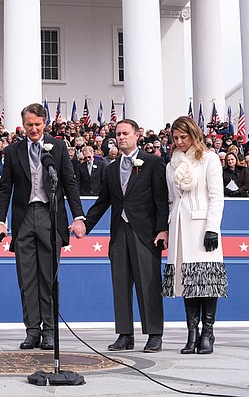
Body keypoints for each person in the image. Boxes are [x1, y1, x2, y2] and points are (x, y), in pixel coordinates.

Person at [0, 103, 85, 351]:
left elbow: (70, 183)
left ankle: (50, 331)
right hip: (24, 219)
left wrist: (79, 216)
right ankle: (32, 330)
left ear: (45, 124)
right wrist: (0, 220)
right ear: (23, 125)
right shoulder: (13, 151)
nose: (33, 129)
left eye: (37, 124)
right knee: (27, 278)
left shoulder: (59, 146)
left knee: (48, 277)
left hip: (50, 216)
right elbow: (5, 188)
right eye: (29, 124)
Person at [83, 119, 169, 353]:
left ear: (137, 135)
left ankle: (154, 334)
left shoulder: (154, 163)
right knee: (120, 284)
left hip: (145, 232)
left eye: (125, 133)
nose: (121, 137)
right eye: (118, 134)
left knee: (148, 284)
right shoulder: (110, 168)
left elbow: (161, 200)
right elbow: (103, 202)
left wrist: (163, 229)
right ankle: (125, 334)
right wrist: (85, 224)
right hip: (119, 232)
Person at [162, 116, 227, 355]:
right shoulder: (171, 165)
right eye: (175, 138)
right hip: (180, 228)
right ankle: (192, 334)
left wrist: (212, 227)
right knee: (187, 282)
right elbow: (171, 200)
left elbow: (216, 196)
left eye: (183, 137)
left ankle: (208, 332)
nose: (179, 142)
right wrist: (170, 227)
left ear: (193, 135)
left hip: (202, 227)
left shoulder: (209, 159)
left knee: (206, 281)